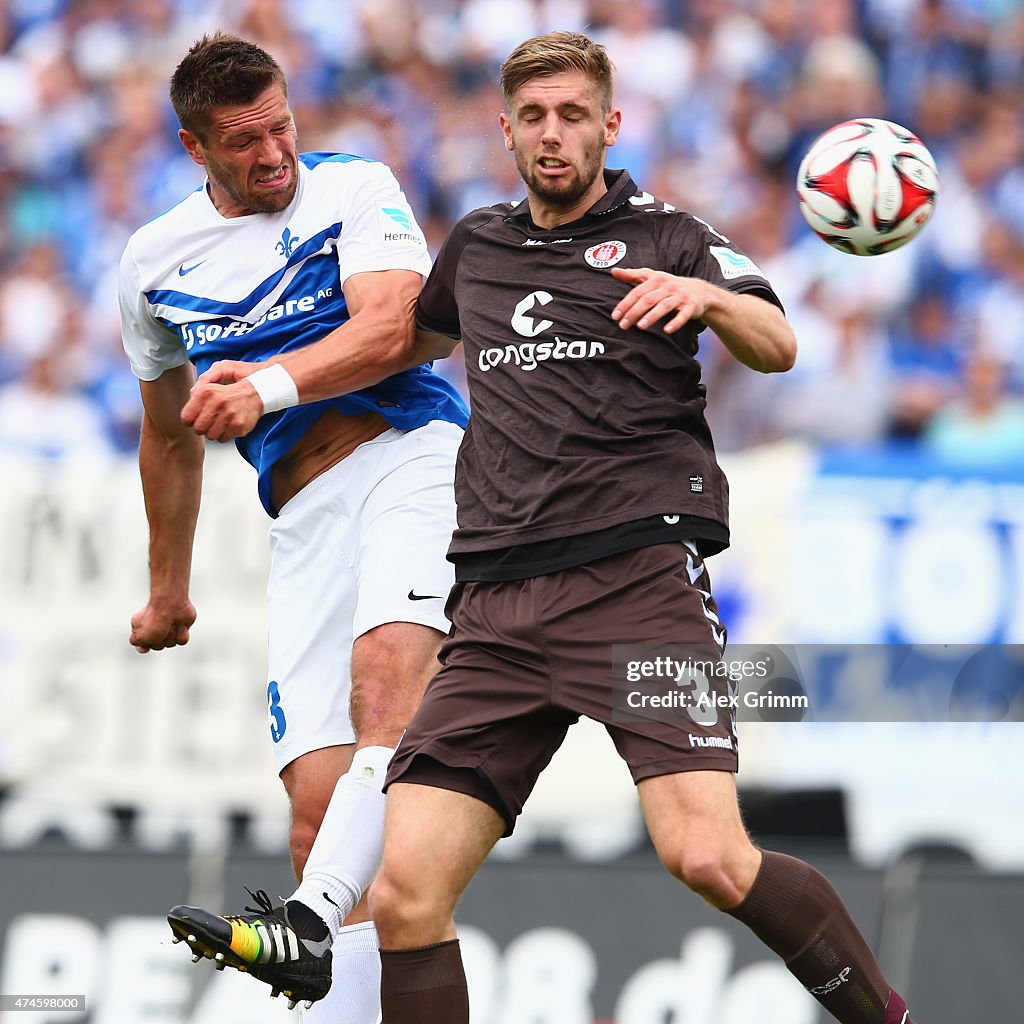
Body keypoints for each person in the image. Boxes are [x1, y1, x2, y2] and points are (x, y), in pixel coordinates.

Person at [363, 31, 918, 1024]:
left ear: (609, 125)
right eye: (532, 116)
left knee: (706, 853)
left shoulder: (671, 234)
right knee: (403, 895)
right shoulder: (477, 248)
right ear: (505, 129)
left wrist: (707, 297)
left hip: (638, 583)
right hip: (492, 604)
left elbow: (778, 341)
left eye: (573, 114)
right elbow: (403, 336)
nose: (552, 134)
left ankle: (888, 1016)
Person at [117, 32, 467, 1018]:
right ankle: (321, 927)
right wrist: (167, 587)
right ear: (196, 147)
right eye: (244, 141)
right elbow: (168, 440)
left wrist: (265, 388)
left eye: (281, 127)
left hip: (413, 458)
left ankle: (304, 925)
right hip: (303, 518)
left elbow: (392, 325)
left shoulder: (353, 188)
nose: (273, 154)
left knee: (384, 699)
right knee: (322, 822)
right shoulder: (153, 265)